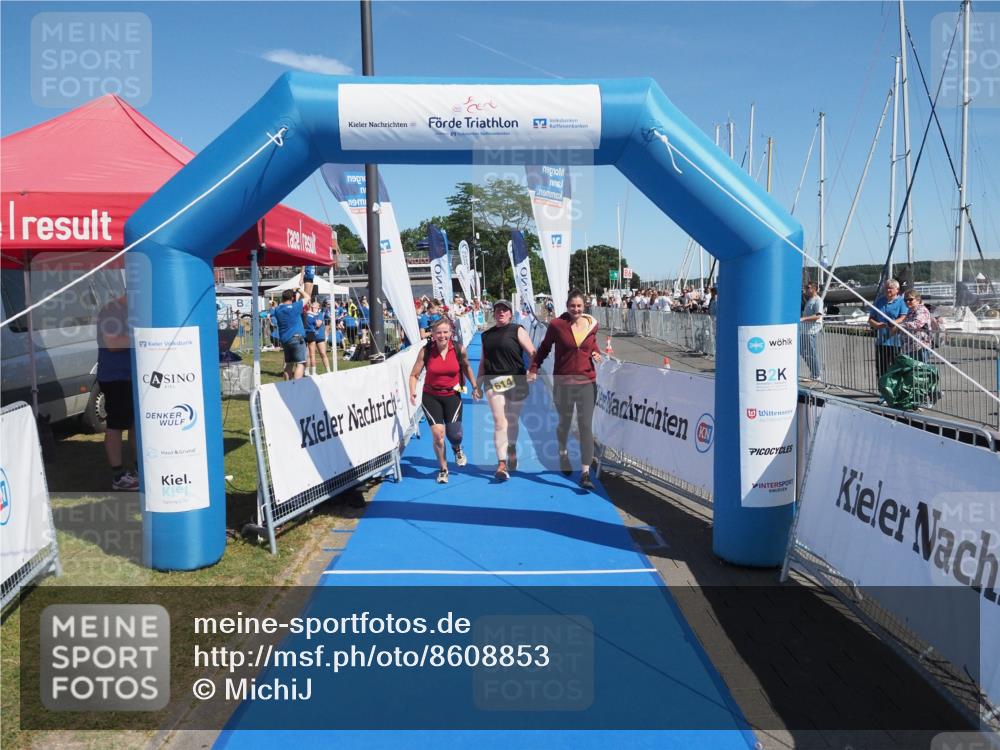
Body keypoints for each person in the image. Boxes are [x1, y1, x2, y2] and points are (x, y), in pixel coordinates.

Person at [528, 289, 602, 490]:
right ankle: (563, 453)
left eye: (579, 306)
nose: (576, 309)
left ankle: (585, 473)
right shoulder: (557, 325)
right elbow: (544, 348)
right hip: (564, 382)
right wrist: (533, 368)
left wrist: (595, 353)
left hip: (587, 381)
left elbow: (591, 345)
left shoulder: (592, 325)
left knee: (586, 426)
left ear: (584, 307)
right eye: (572, 306)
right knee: (565, 422)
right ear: (567, 307)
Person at [408, 318, 481, 483]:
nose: (442, 335)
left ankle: (457, 448)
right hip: (431, 396)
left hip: (452, 396)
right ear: (433, 334)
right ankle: (443, 469)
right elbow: (414, 374)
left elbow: (467, 367)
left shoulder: (458, 349)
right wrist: (412, 391)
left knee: (455, 434)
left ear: (451, 333)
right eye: (438, 332)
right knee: (438, 436)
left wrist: (475, 386)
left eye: (445, 332)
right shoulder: (426, 351)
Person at [478, 300, 537, 481]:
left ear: (510, 314)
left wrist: (532, 370)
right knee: (499, 421)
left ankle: (511, 447)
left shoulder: (517, 330)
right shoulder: (486, 335)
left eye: (504, 310)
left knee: (512, 420)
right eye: (498, 310)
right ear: (493, 314)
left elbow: (533, 352)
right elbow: (483, 361)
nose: (501, 313)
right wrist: (477, 385)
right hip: (494, 380)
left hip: (515, 380)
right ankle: (501, 464)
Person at [96, 294, 138, 490]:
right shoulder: (111, 310)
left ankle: (140, 470)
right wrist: (144, 337)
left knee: (135, 424)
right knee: (116, 425)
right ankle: (118, 476)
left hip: (133, 376)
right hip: (116, 377)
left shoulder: (133, 310)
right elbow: (112, 344)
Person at [869, 279, 908, 386]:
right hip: (881, 341)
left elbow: (903, 317)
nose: (888, 290)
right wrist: (876, 325)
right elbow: (871, 318)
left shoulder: (901, 302)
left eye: (891, 288)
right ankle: (883, 392)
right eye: (886, 288)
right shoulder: (879, 301)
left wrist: (894, 322)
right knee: (881, 368)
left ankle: (895, 391)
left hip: (896, 341)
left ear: (897, 290)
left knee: (896, 368)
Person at [273, 287, 308, 380]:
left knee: (289, 364)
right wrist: (299, 290)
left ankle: (287, 386)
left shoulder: (277, 310)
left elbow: (283, 304)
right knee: (301, 363)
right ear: (292, 298)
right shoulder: (295, 307)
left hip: (285, 340)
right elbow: (307, 297)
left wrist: (293, 294)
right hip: (297, 338)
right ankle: (296, 387)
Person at [799, 281, 824, 383]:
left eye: (808, 287)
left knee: (811, 352)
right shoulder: (809, 300)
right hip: (805, 330)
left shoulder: (818, 300)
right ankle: (814, 372)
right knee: (803, 351)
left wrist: (803, 319)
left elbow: (818, 315)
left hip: (811, 330)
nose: (806, 289)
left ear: (814, 289)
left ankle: (816, 375)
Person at [306, 301, 331, 376]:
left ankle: (328, 370)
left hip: (319, 336)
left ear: (318, 307)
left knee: (323, 353)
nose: (313, 307)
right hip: (311, 336)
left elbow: (318, 324)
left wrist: (313, 317)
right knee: (309, 354)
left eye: (315, 306)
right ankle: (307, 371)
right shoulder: (309, 314)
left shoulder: (319, 314)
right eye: (313, 306)